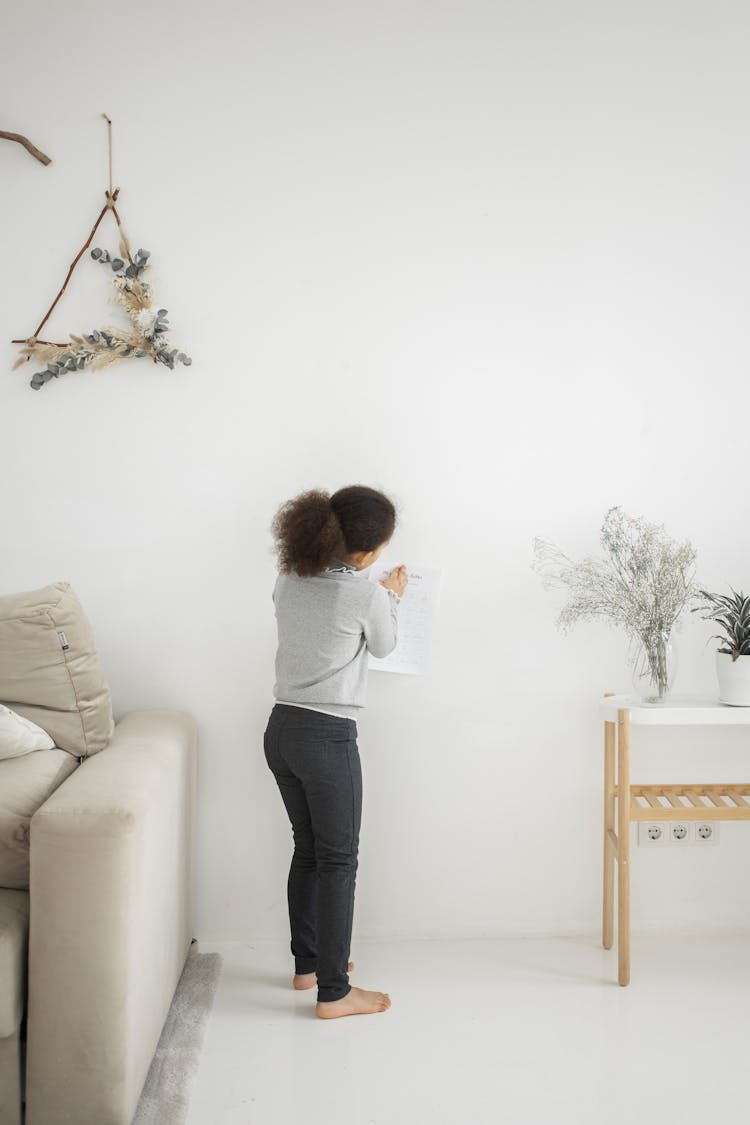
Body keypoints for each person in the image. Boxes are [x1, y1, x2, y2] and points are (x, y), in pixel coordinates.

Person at [264, 484, 408, 1019]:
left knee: (309, 849)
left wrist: (367, 584)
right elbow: (386, 644)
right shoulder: (368, 595)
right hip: (326, 736)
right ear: (371, 552)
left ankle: (309, 965)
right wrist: (390, 595)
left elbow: (321, 614)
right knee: (339, 860)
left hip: (280, 730)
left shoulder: (288, 579)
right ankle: (334, 991)